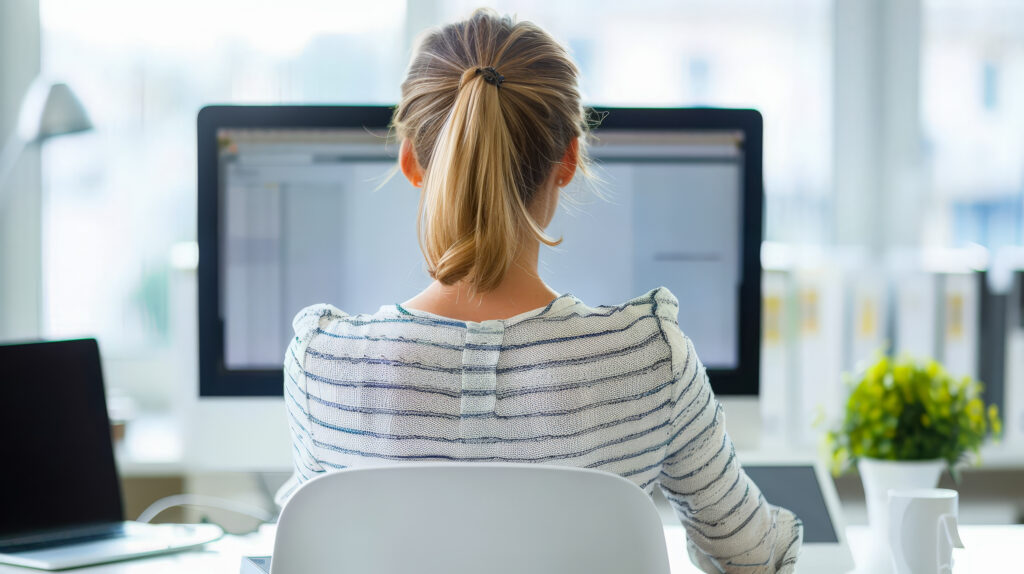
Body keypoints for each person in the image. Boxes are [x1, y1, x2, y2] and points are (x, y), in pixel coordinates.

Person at [278, 9, 802, 573]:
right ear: (569, 160)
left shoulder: (323, 363)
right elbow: (749, 557)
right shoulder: (650, 357)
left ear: (411, 162)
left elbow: (312, 544)